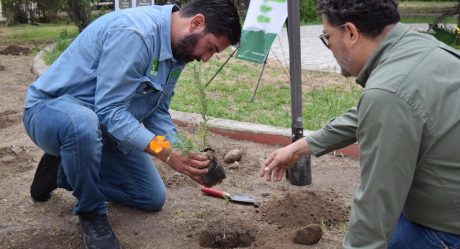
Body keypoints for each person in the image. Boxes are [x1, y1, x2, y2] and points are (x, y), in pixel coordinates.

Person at [23, 0, 241, 248]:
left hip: (99, 127)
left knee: (150, 196)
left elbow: (157, 109)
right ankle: (91, 213)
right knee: (81, 123)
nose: (205, 59)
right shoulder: (136, 34)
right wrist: (166, 154)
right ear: (196, 22)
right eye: (210, 48)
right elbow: (110, 111)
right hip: (50, 113)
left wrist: (178, 147)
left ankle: (62, 170)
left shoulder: (177, 51)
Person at [260, 0, 460, 248]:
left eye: (327, 37)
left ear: (351, 33)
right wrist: (300, 147)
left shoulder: (388, 93)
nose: (329, 47)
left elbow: (377, 202)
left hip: (446, 232)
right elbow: (373, 110)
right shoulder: (416, 47)